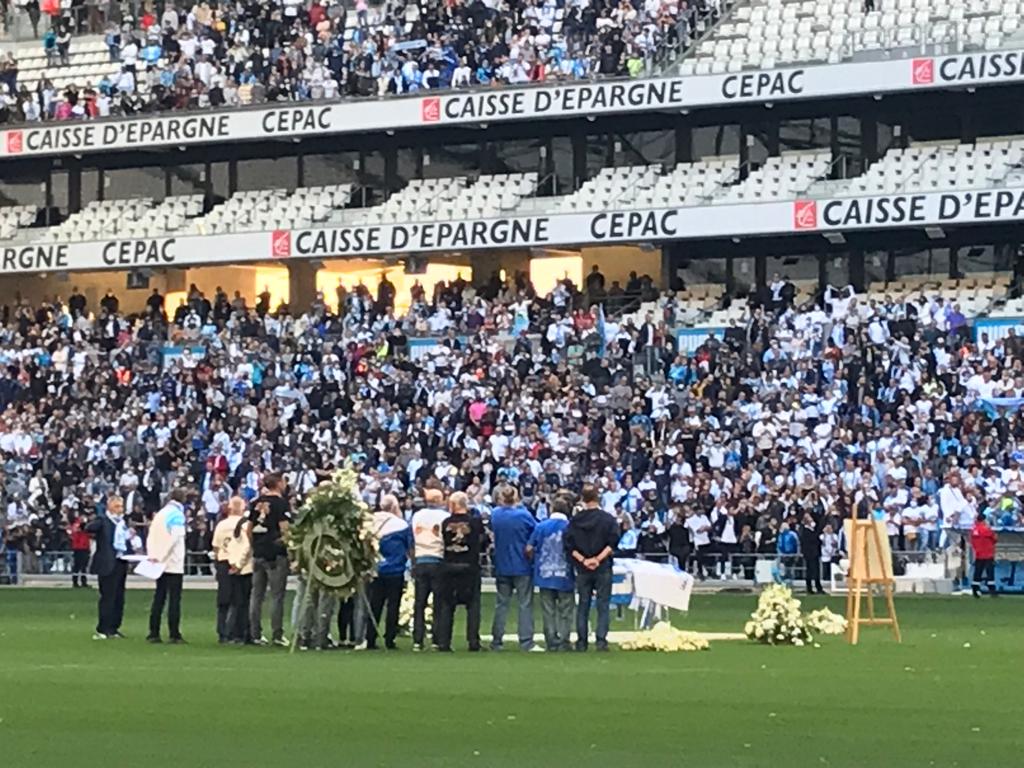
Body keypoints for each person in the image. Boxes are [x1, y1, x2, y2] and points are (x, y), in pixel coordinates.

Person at [564, 484, 620, 652]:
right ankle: (601, 641)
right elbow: (613, 543)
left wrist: (584, 560)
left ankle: (582, 642)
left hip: (582, 568)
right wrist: (597, 559)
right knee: (603, 604)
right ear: (598, 498)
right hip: (602, 566)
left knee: (583, 604)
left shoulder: (575, 521)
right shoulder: (608, 519)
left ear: (583, 499)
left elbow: (569, 545)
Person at [436, 491, 487, 652]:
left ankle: (444, 642)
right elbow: (483, 541)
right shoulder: (475, 522)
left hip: (449, 566)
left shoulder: (445, 523)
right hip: (469, 567)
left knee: (447, 605)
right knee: (473, 606)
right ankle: (473, 641)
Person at [489, 484, 538, 651]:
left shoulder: (495, 515)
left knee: (501, 604)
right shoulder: (524, 515)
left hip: (502, 565)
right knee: (525, 604)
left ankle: (496, 640)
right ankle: (526, 641)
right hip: (522, 565)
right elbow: (536, 531)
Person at [526, 494, 575, 652]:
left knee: (548, 610)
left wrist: (535, 560)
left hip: (544, 574)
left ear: (552, 508)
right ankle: (564, 640)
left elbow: (529, 548)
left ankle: (551, 641)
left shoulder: (541, 526)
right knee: (566, 610)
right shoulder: (570, 526)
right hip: (565, 574)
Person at [247, 473, 291, 646]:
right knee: (277, 595)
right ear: (279, 483)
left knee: (256, 595)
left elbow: (248, 529)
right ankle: (277, 634)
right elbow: (285, 530)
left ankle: (255, 633)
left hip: (259, 554)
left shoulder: (256, 503)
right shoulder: (280, 504)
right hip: (276, 554)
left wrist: (255, 547)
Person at [364, 494, 413, 651]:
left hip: (376, 569)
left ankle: (370, 638)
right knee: (393, 606)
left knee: (375, 604)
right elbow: (409, 546)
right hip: (395, 570)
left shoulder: (371, 522)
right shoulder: (400, 524)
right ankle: (389, 638)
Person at [85, 495, 132, 639]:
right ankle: (103, 627)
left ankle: (114, 627)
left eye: (121, 506)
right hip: (107, 564)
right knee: (107, 597)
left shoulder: (122, 523)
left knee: (119, 596)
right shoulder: (103, 521)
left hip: (120, 561)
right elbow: (89, 528)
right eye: (117, 506)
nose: (120, 510)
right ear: (110, 507)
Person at [410, 482, 449, 651]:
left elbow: (412, 537)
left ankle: (417, 640)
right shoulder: (444, 517)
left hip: (420, 559)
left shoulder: (417, 516)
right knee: (438, 602)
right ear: (440, 500)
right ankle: (436, 638)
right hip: (437, 559)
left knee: (420, 602)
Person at [146, 488, 188, 643]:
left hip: (158, 562)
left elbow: (151, 536)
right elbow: (175, 538)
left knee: (159, 597)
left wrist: (153, 555)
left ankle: (153, 632)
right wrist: (162, 555)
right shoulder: (177, 515)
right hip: (172, 562)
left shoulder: (160, 514)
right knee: (174, 599)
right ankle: (174, 633)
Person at [212, 497, 252, 643]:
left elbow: (216, 546)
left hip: (224, 562)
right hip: (242, 566)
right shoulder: (246, 524)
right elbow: (248, 547)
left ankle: (222, 632)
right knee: (240, 601)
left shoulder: (221, 525)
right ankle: (238, 632)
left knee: (224, 600)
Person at [970, 512, 998, 597]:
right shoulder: (986, 530)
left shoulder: (974, 530)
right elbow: (995, 539)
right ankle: (992, 590)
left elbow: (972, 541)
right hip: (988, 554)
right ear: (984, 520)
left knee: (977, 572)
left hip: (978, 554)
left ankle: (975, 589)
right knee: (990, 573)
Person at [798, 512, 824, 594]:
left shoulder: (813, 528)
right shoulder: (805, 530)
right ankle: (809, 588)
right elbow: (811, 539)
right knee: (810, 571)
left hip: (815, 552)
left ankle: (818, 587)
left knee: (816, 570)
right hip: (809, 553)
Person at [68, 511, 92, 588]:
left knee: (84, 566)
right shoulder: (76, 525)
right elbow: (76, 532)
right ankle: (75, 582)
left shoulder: (85, 525)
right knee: (77, 566)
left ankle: (83, 582)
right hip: (78, 548)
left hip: (85, 547)